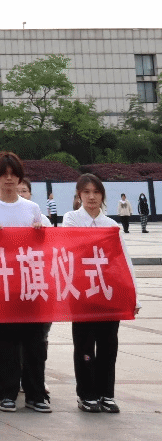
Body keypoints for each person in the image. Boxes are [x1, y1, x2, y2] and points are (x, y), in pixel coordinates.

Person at [0, 152, 49, 413]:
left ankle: (36, 394)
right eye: (3, 174)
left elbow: (42, 247)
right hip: (1, 286)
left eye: (13, 174)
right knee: (4, 344)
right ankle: (7, 392)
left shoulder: (32, 208)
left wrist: (40, 234)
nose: (8, 179)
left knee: (35, 344)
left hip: (30, 284)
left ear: (20, 177)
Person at [62, 173, 140, 413]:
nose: (92, 197)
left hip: (108, 293)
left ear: (102, 195)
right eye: (86, 192)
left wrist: (133, 295)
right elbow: (73, 248)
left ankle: (107, 394)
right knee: (85, 346)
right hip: (82, 294)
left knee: (108, 346)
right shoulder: (71, 219)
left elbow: (124, 261)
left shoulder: (112, 226)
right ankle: (86, 394)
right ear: (79, 195)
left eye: (96, 192)